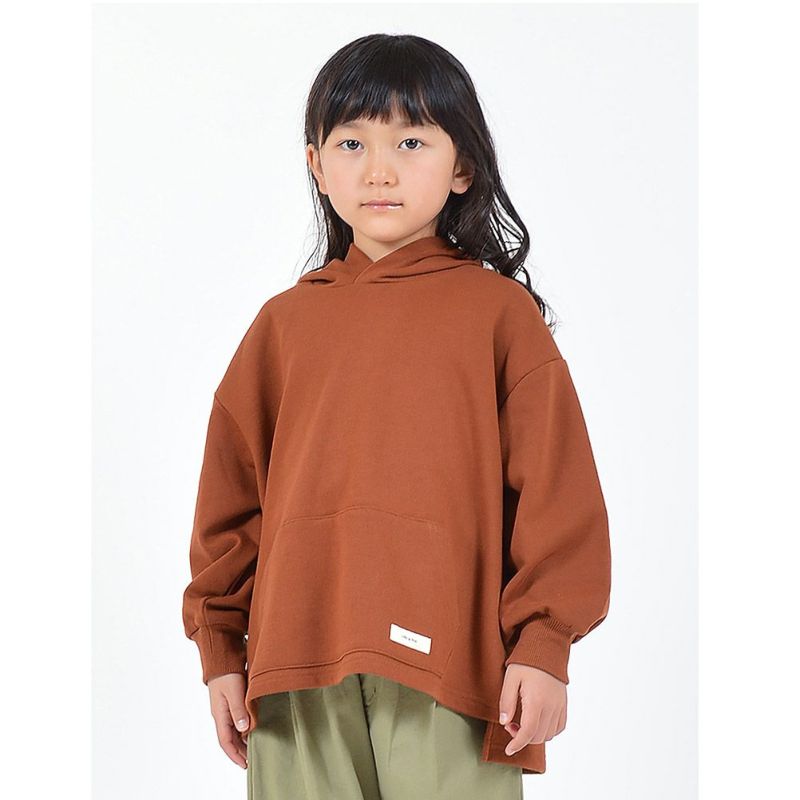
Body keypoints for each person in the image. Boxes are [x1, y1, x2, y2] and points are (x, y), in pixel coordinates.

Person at [182, 33, 612, 800]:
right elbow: (229, 502)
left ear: (462, 166)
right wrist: (220, 649)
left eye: (410, 141)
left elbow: (558, 493)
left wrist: (545, 646)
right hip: (295, 667)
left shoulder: (497, 317)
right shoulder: (283, 326)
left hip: (453, 670)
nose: (379, 169)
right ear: (317, 165)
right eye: (352, 143)